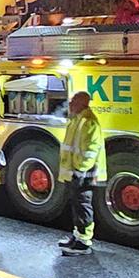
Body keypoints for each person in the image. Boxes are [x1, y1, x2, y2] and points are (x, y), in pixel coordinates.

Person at [57, 91, 105, 255]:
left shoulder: (88, 122)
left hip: (84, 174)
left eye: (73, 101)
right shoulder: (77, 119)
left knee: (83, 206)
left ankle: (84, 243)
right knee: (77, 205)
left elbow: (90, 150)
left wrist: (80, 170)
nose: (70, 104)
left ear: (82, 103)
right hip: (76, 172)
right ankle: (77, 236)